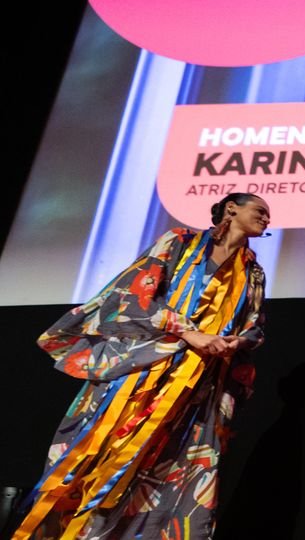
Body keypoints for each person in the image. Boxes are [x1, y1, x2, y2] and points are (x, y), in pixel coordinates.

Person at [14, 193, 270, 539]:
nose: (267, 219)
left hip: (197, 392)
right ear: (231, 208)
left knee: (177, 471)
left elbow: (255, 326)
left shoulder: (253, 272)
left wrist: (237, 341)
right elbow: (133, 294)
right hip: (144, 373)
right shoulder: (181, 242)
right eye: (260, 211)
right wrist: (189, 333)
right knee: (103, 457)